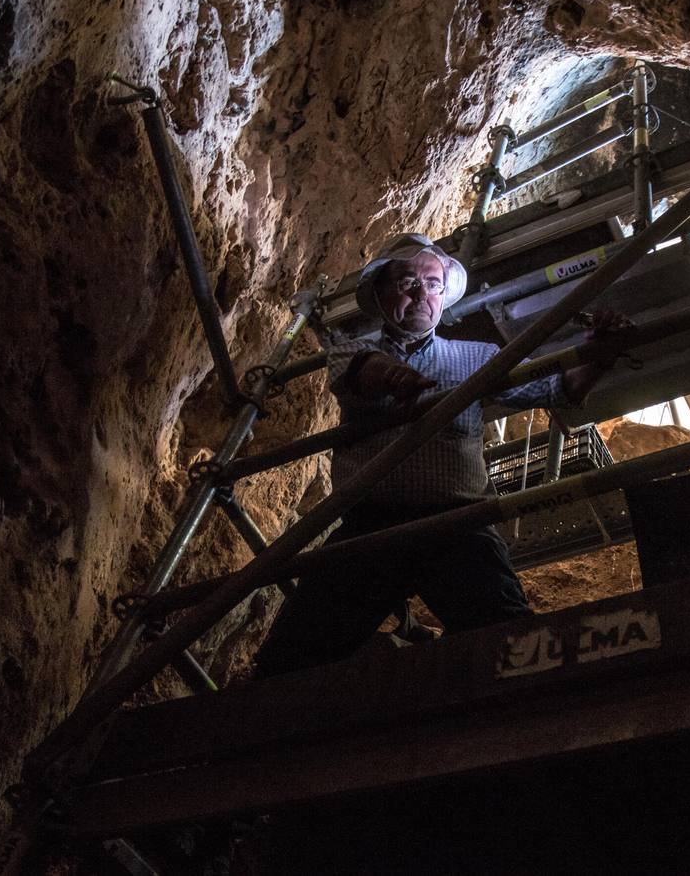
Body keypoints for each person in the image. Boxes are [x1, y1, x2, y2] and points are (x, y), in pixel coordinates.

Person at [253, 233, 629, 677]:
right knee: (291, 657)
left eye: (432, 284)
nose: (420, 294)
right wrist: (397, 379)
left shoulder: (478, 357)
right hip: (373, 527)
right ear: (380, 292)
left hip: (457, 523)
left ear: (444, 295)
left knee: (511, 639)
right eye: (407, 281)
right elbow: (363, 374)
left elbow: (556, 390)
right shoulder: (352, 349)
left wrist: (601, 357)